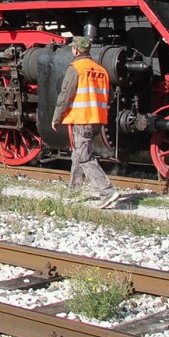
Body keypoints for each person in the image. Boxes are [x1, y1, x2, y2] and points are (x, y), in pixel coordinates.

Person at [51, 36, 120, 209]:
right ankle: (74, 190)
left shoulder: (76, 68)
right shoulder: (100, 70)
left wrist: (57, 117)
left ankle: (107, 191)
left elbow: (65, 96)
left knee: (83, 156)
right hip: (96, 118)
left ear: (75, 50)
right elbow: (110, 96)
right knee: (78, 152)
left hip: (81, 117)